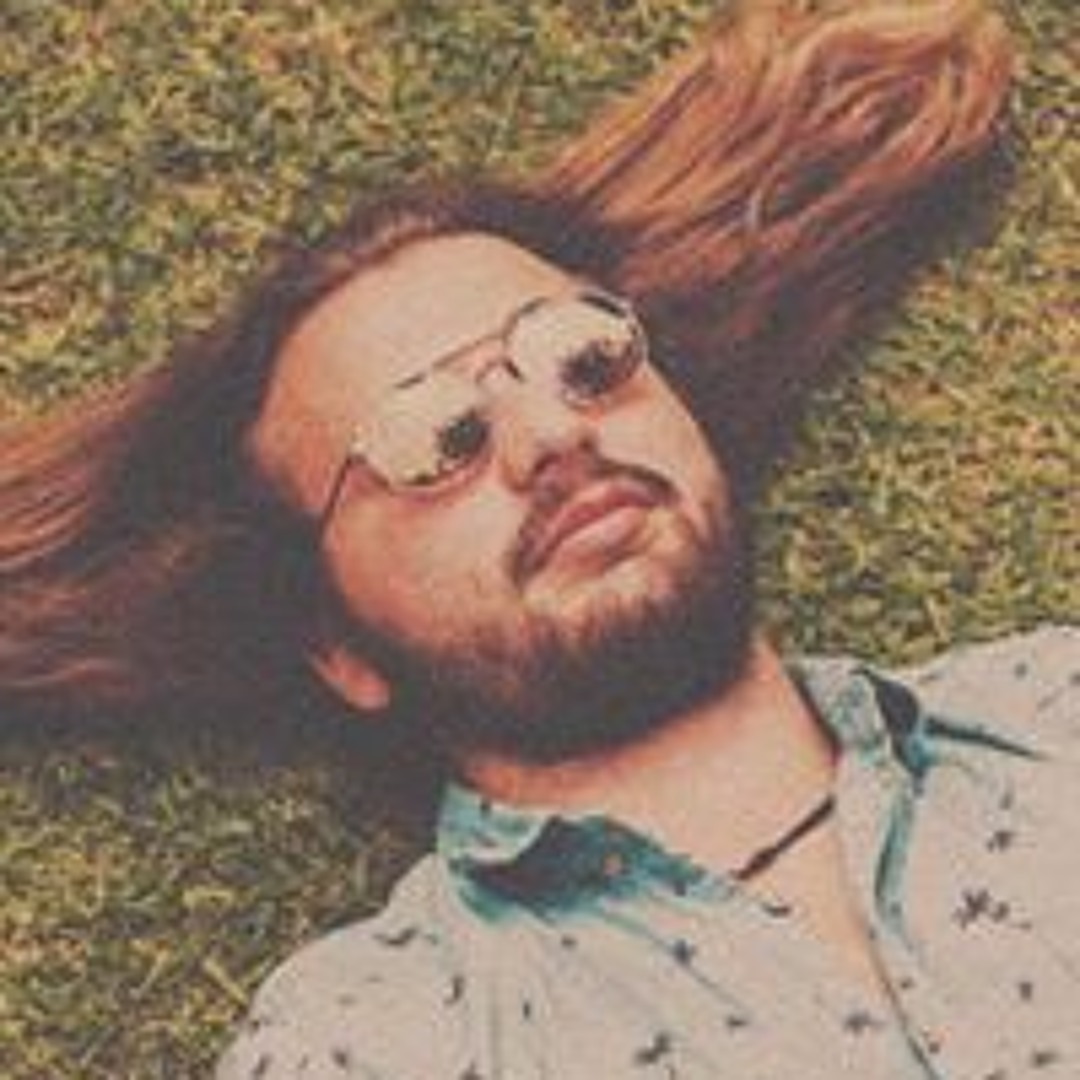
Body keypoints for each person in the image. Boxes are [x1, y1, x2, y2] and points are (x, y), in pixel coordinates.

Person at [2, 2, 1075, 1077]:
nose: (553, 435)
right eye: (433, 438)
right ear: (337, 645)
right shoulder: (371, 1045)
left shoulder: (1053, 706)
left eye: (585, 356)